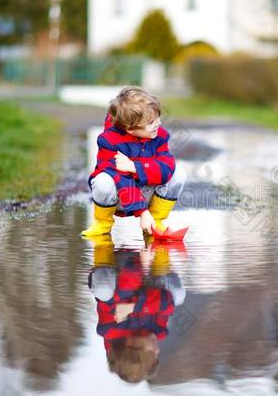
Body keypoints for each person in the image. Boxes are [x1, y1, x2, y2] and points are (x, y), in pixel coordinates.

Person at [81, 86, 186, 237]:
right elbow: (120, 179)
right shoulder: (109, 141)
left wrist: (135, 167)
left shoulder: (160, 136)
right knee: (103, 180)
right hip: (119, 198)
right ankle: (102, 223)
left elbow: (166, 168)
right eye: (151, 122)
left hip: (148, 194)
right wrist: (142, 212)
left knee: (178, 173)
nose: (158, 124)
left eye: (158, 117)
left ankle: (155, 221)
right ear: (130, 129)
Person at [87, 237, 186, 383]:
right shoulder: (157, 330)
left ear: (131, 346)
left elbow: (120, 292)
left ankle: (102, 247)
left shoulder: (110, 328)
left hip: (121, 268)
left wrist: (139, 265)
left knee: (103, 291)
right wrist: (134, 306)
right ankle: (161, 249)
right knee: (177, 296)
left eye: (151, 352)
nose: (158, 350)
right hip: (150, 272)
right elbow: (167, 301)